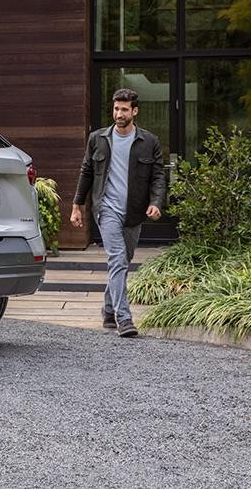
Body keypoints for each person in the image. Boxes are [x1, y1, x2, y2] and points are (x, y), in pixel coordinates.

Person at [70, 88, 165, 338]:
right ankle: (124, 318)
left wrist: (156, 202)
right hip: (106, 208)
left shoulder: (149, 142)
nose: (119, 114)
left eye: (124, 109)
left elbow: (157, 176)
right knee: (118, 259)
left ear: (135, 111)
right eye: (116, 109)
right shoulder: (98, 139)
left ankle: (109, 309)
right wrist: (77, 205)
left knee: (123, 260)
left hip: (133, 212)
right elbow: (86, 172)